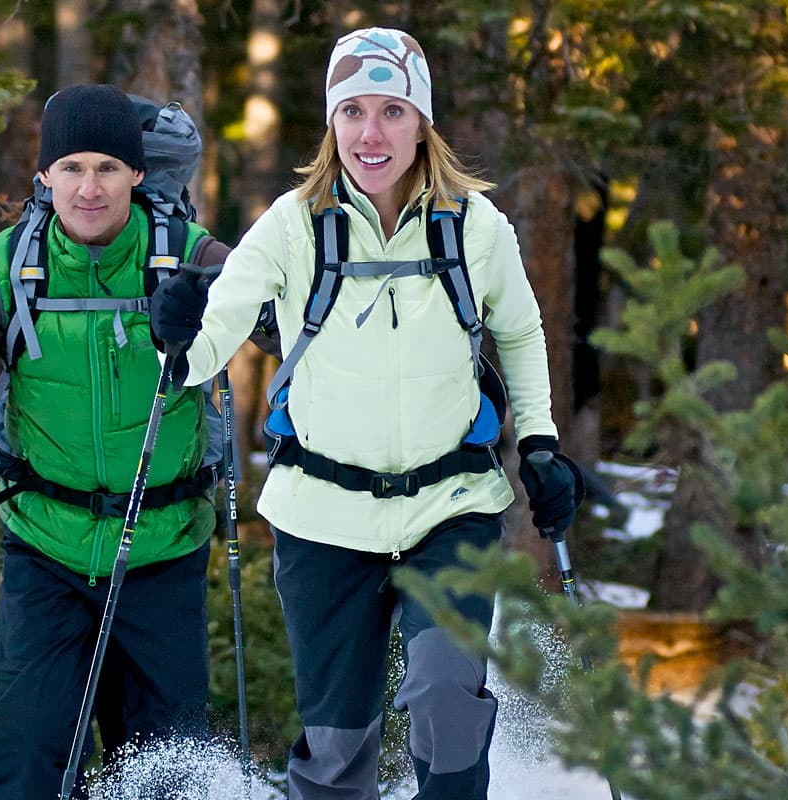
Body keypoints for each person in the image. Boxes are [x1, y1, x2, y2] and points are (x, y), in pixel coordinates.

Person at [150, 28, 583, 800]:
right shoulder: (290, 224)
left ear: (422, 122)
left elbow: (519, 329)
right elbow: (205, 349)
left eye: (391, 110)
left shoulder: (475, 227)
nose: (370, 133)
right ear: (331, 123)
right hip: (322, 516)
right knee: (338, 747)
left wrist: (541, 444)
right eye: (352, 111)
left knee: (447, 701)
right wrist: (175, 334)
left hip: (450, 505)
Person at [0, 84, 234, 799]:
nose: (90, 187)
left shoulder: (191, 257)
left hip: (164, 553)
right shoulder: (9, 266)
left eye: (108, 167)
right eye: (71, 167)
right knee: (22, 758)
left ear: (138, 174)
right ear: (45, 175)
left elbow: (289, 334)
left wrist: (211, 308)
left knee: (168, 773)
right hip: (47, 554)